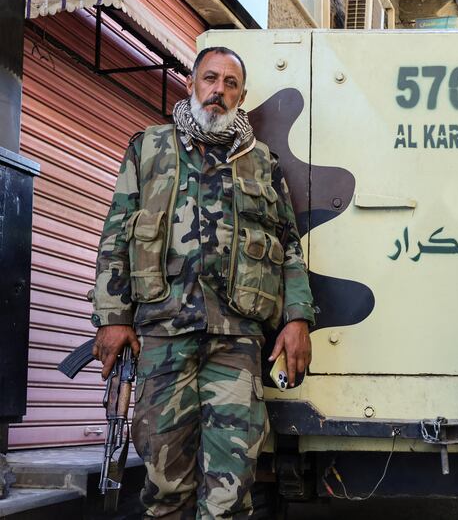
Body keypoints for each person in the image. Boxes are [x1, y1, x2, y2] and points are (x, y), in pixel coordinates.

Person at [90, 46, 315, 519]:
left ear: (242, 95)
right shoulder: (148, 147)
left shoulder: (263, 163)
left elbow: (289, 246)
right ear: (191, 84)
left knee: (231, 490)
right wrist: (112, 319)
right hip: (163, 335)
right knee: (162, 481)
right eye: (210, 79)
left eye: (230, 84)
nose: (219, 91)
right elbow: (116, 235)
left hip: (235, 344)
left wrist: (297, 319)